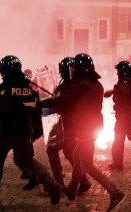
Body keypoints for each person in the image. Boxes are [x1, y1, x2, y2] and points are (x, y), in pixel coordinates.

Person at [28, 53, 126, 211]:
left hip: (85, 128)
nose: (72, 70)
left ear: (80, 69)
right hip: (92, 127)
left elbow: (62, 100)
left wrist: (36, 104)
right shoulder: (95, 84)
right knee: (77, 156)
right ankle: (72, 189)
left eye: (74, 67)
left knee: (86, 163)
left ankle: (115, 191)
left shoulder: (80, 85)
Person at [0, 55, 61, 205]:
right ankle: (51, 184)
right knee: (28, 160)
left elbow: (5, 109)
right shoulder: (27, 86)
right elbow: (31, 107)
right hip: (24, 129)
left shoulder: (4, 88)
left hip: (8, 130)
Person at [24, 57, 91, 194]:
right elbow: (55, 98)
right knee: (68, 152)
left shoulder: (72, 86)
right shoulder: (71, 84)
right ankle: (83, 180)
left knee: (53, 150)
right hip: (68, 124)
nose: (61, 73)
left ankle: (59, 182)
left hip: (68, 124)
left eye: (62, 71)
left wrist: (37, 104)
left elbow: (57, 101)